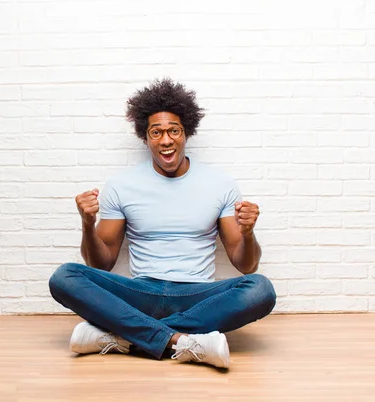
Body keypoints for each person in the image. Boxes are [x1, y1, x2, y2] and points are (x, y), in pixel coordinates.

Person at [48, 78, 276, 369]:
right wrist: (86, 223)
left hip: (196, 296)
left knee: (260, 289)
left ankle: (127, 336)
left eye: (173, 131)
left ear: (186, 133)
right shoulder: (122, 185)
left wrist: (248, 232)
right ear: (146, 137)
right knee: (64, 277)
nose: (166, 140)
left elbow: (246, 266)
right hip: (140, 293)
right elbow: (100, 264)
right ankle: (181, 341)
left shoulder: (220, 184)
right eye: (156, 132)